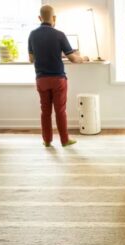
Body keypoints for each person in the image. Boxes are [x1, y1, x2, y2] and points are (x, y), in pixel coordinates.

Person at [28, 4, 86, 147]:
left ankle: (47, 140)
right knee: (60, 111)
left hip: (41, 79)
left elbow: (31, 59)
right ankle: (65, 140)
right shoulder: (59, 34)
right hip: (58, 79)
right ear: (54, 18)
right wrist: (83, 58)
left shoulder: (32, 34)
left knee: (45, 111)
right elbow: (73, 58)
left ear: (39, 18)